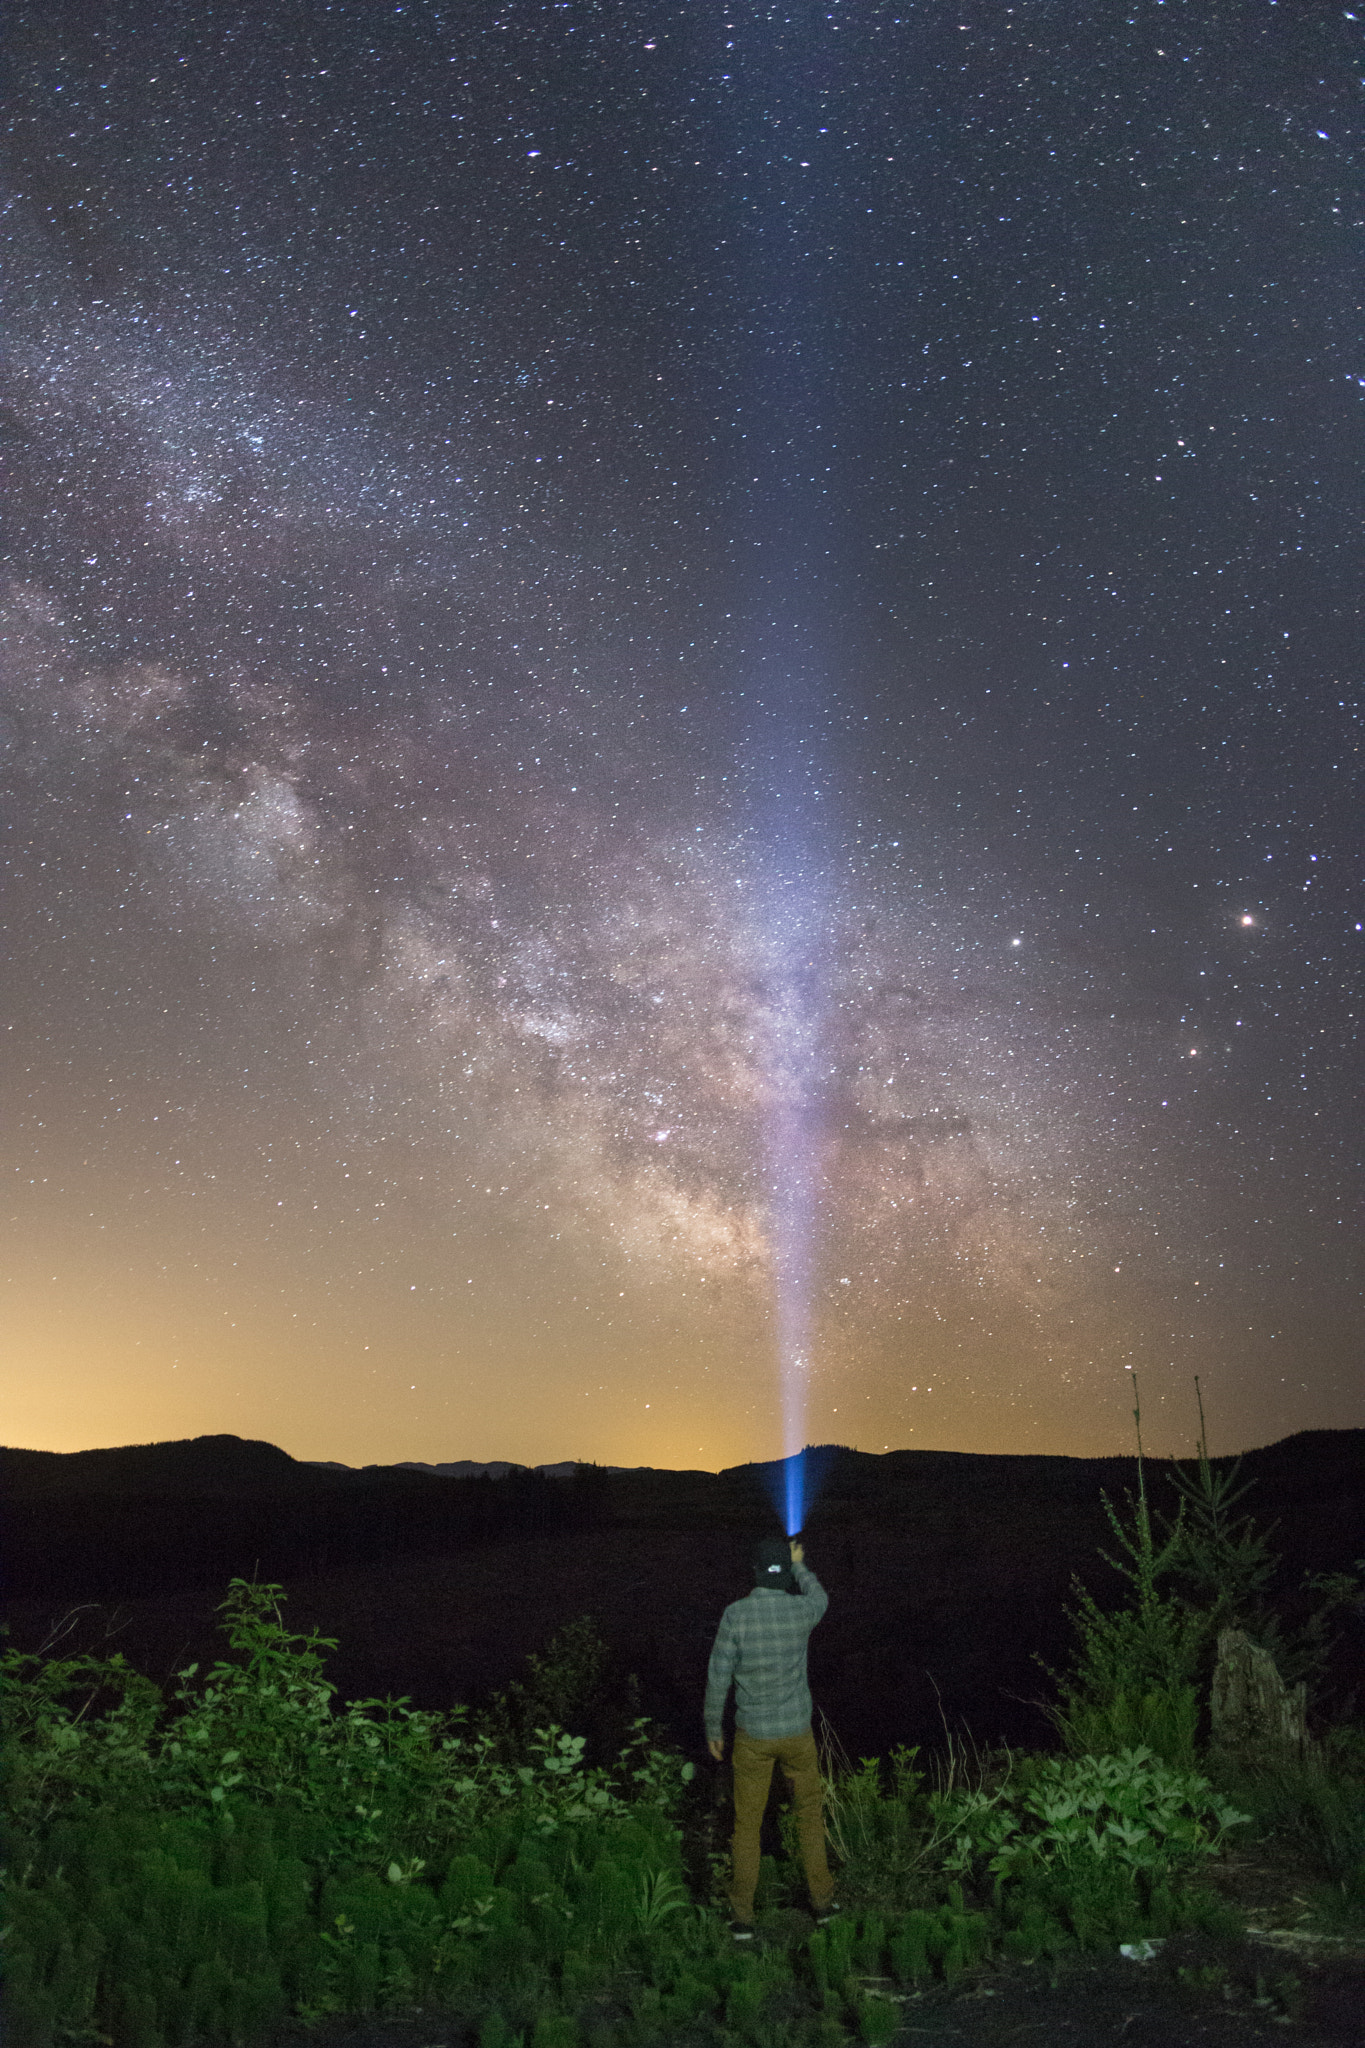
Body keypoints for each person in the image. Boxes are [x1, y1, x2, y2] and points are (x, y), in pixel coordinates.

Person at [704, 1534, 836, 1939]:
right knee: (809, 1818)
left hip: (753, 1739)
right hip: (796, 1735)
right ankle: (823, 1904)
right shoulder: (801, 1611)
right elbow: (821, 1597)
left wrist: (713, 1726)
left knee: (747, 1825)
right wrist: (799, 1565)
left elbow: (718, 1677)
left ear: (755, 1571)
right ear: (784, 1574)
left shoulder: (735, 1616)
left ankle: (742, 1917)